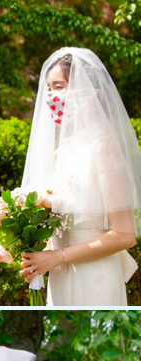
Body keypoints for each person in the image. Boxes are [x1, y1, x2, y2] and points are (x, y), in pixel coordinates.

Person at [18, 48, 140, 305]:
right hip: (60, 275)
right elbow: (57, 222)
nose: (51, 97)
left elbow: (125, 235)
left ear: (87, 91)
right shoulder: (60, 153)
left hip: (95, 275)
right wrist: (31, 253)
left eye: (59, 87)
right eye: (48, 89)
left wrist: (58, 257)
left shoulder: (103, 147)